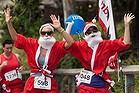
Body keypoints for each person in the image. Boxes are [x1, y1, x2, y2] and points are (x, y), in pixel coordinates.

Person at [4, 7, 74, 93]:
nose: (46, 35)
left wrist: (60, 29)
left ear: (52, 34)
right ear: (40, 34)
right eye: (43, 33)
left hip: (49, 83)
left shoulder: (56, 47)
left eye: (49, 33)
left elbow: (70, 42)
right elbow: (15, 37)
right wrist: (9, 23)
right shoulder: (32, 44)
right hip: (33, 83)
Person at [67, 13, 135, 93]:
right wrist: (68, 27)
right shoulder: (81, 45)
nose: (92, 33)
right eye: (89, 32)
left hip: (100, 82)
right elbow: (66, 45)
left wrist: (126, 25)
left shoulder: (106, 45)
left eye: (94, 30)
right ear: (85, 35)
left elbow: (125, 43)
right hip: (85, 84)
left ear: (98, 32)